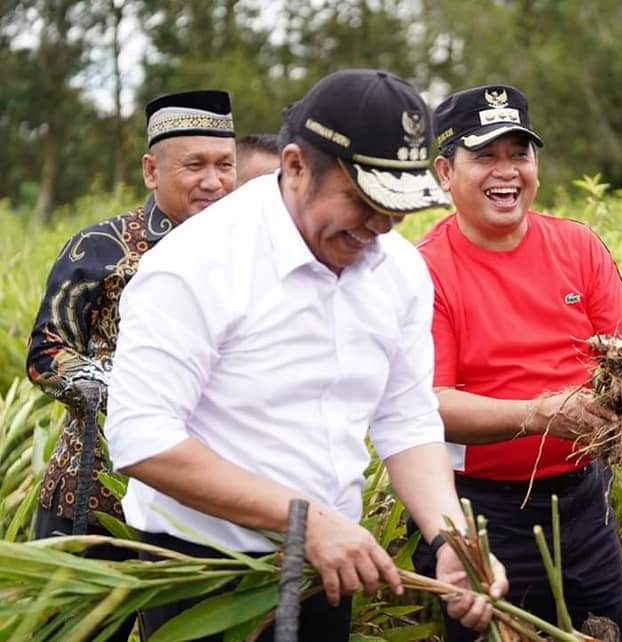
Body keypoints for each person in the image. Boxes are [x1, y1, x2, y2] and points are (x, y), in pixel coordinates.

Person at [103, 69, 506, 641]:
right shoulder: (197, 264)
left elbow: (406, 419)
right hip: (203, 576)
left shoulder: (399, 270)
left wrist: (450, 539)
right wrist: (304, 519)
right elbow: (143, 438)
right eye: (360, 200)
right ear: (295, 166)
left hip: (325, 568)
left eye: (396, 209)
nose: (379, 226)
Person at [411, 84, 622, 641]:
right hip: (481, 512)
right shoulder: (424, 270)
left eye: (520, 154)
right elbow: (431, 406)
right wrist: (539, 413)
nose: (507, 171)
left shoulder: (578, 246)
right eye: (485, 156)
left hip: (583, 499)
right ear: (445, 172)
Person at [24, 88, 236, 641]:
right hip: (91, 494)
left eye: (225, 165)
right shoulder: (100, 247)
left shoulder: (251, 252)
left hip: (201, 503)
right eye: (194, 165)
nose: (213, 181)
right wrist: (125, 390)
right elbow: (46, 351)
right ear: (151, 170)